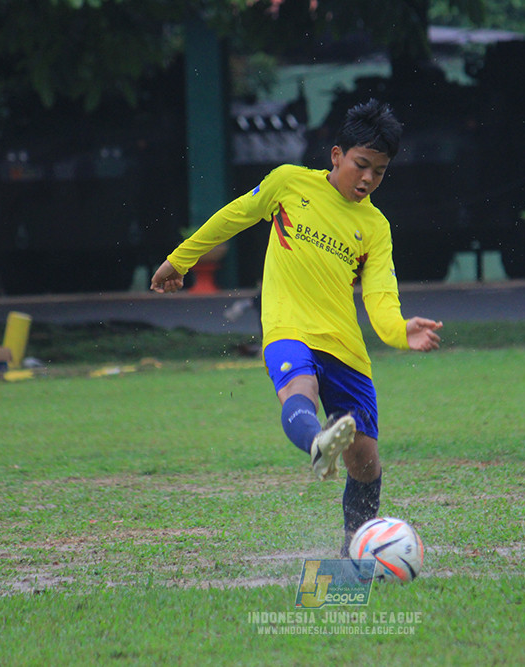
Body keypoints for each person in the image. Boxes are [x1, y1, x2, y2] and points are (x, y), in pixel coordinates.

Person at [151, 99, 443, 556]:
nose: (368, 179)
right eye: (361, 165)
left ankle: (355, 550)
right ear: (336, 156)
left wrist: (398, 330)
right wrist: (180, 258)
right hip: (288, 328)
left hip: (344, 347)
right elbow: (233, 216)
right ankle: (316, 442)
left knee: (365, 461)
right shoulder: (289, 184)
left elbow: (380, 296)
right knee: (298, 391)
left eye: (380, 172)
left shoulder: (376, 227)